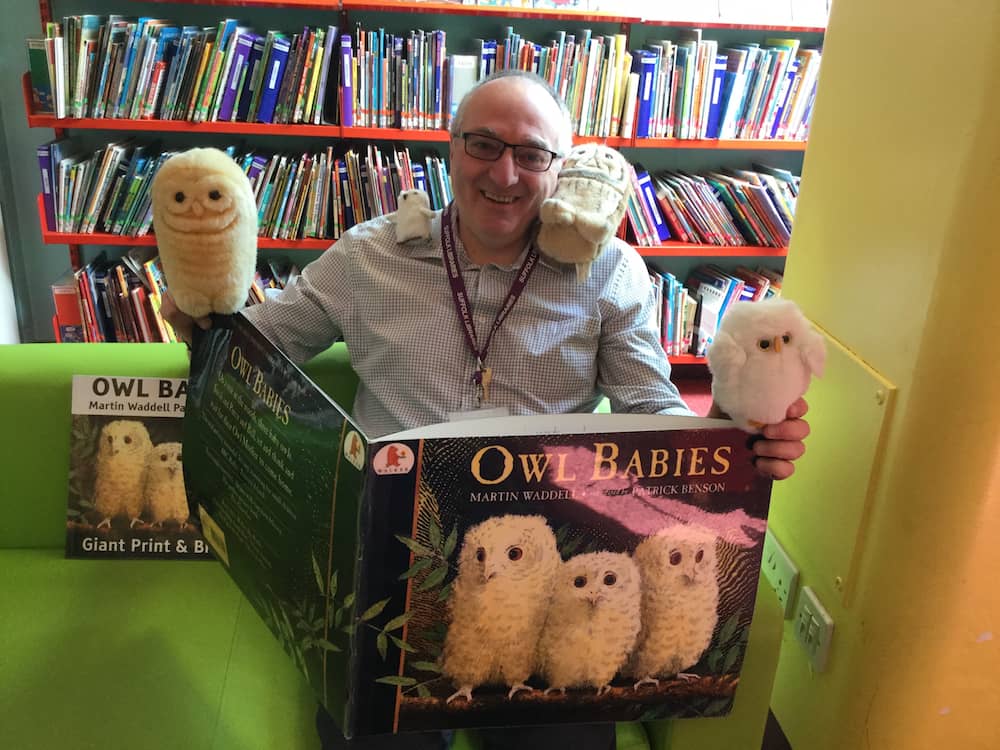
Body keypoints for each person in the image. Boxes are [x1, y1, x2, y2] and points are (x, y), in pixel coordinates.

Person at [164, 70, 810, 750]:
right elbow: (260, 349)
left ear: (559, 170)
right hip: (391, 562)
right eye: (483, 145)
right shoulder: (366, 257)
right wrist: (201, 319)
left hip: (551, 572)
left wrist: (733, 445)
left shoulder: (609, 270)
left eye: (532, 154)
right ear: (451, 151)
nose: (505, 173)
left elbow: (651, 404)